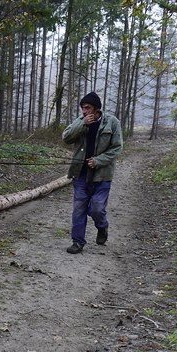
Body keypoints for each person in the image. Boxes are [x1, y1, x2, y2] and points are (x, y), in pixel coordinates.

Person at [62, 92, 123, 254]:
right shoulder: (80, 121)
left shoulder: (112, 122)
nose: (84, 111)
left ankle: (102, 227)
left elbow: (117, 148)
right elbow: (66, 137)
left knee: (96, 208)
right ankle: (77, 242)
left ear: (96, 109)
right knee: (79, 209)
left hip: (102, 175)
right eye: (82, 108)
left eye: (87, 108)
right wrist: (82, 125)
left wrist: (98, 160)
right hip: (80, 174)